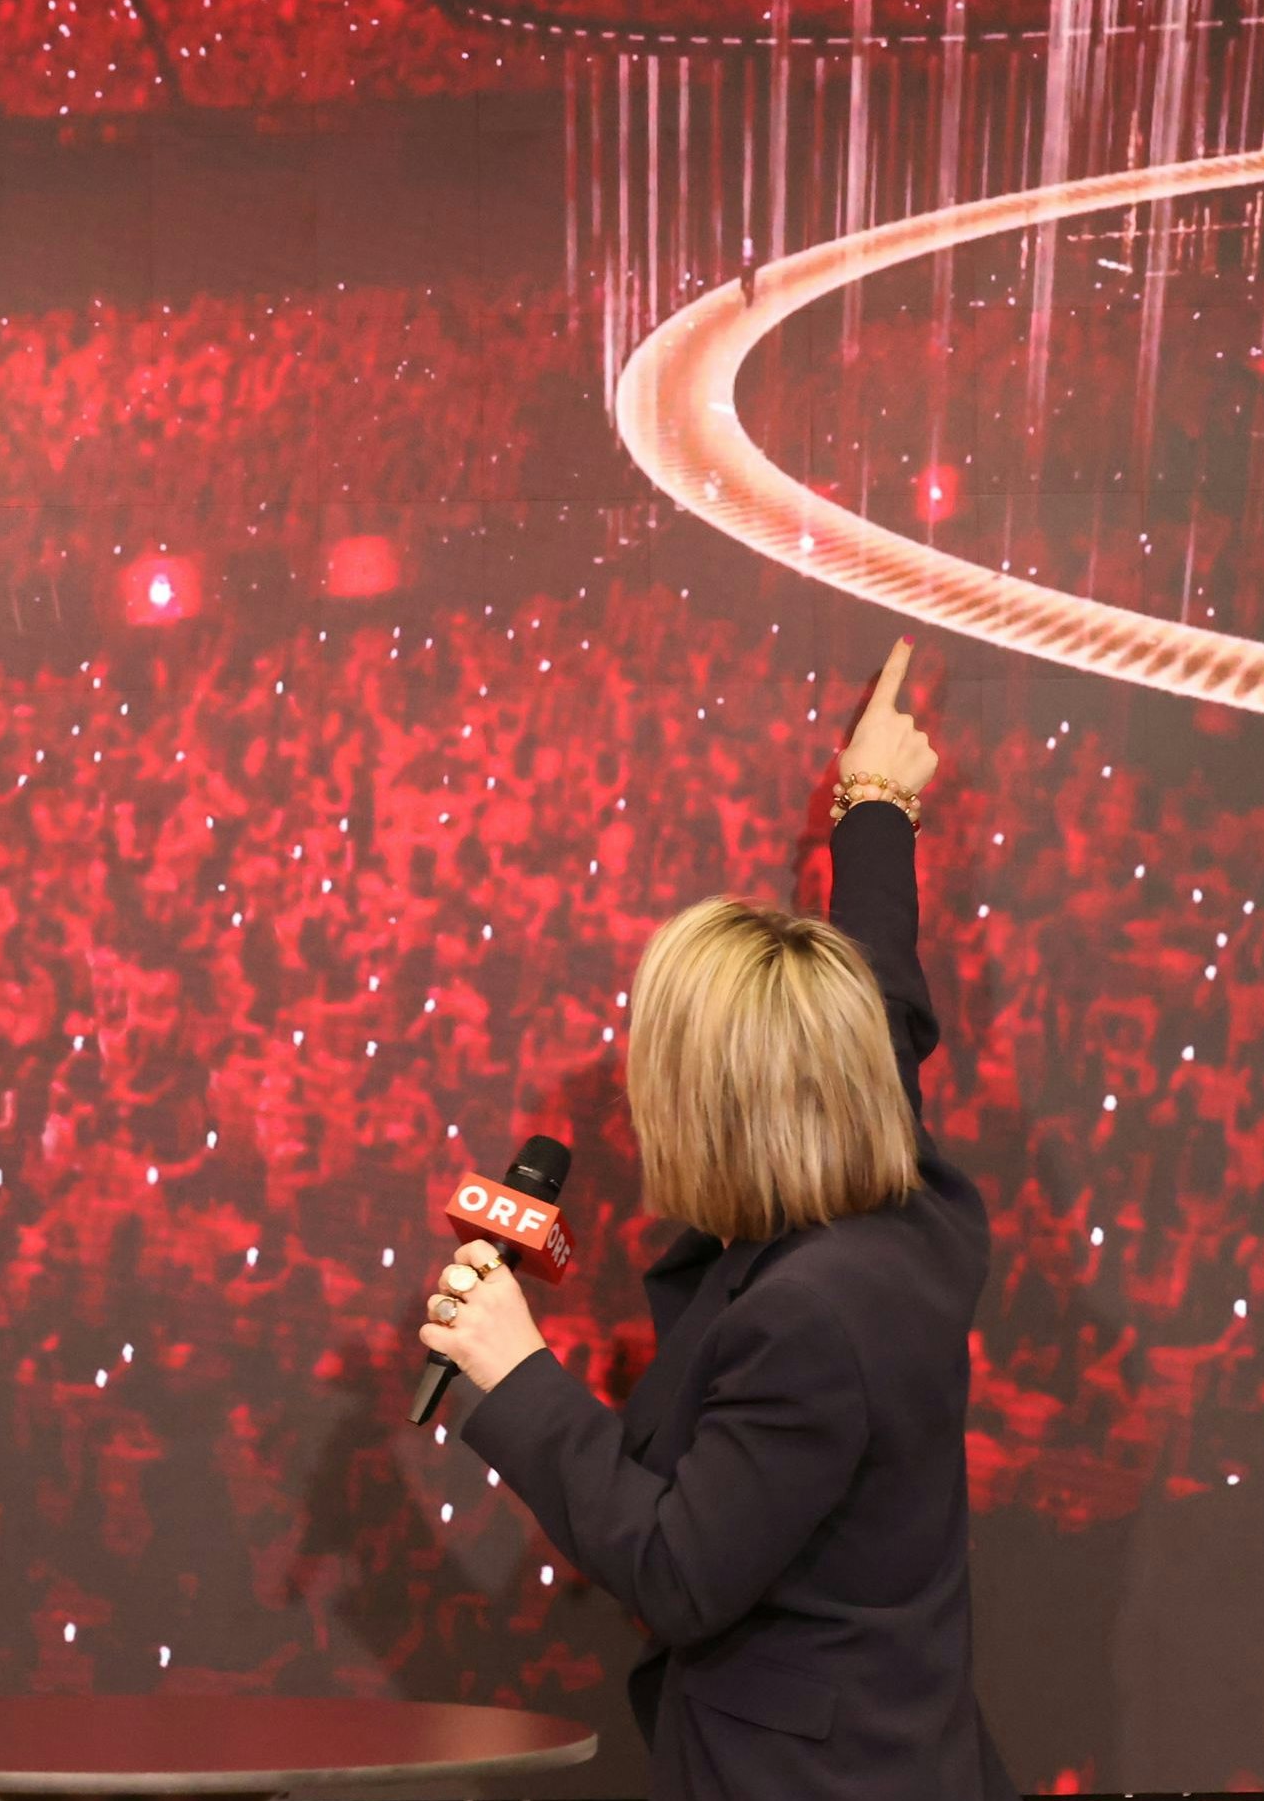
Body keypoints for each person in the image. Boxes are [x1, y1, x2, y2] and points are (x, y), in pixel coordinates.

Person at [420, 640, 1008, 1801]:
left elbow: (681, 1567)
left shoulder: (806, 1321)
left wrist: (515, 1369)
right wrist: (874, 804)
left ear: (718, 1107)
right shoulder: (907, 1202)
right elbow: (883, 997)